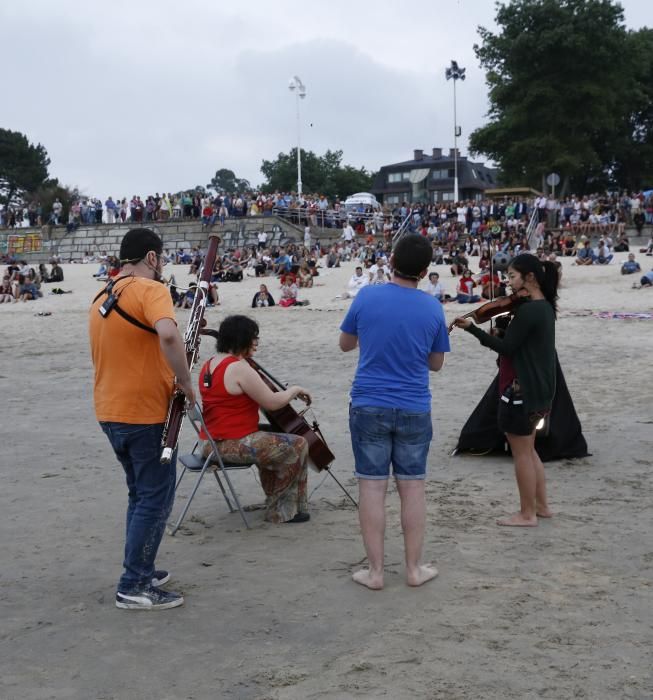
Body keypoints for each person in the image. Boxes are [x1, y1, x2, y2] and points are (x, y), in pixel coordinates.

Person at [89, 228, 195, 611]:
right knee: (154, 498)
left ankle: (141, 568)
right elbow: (168, 333)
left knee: (140, 494)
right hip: (144, 414)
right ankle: (134, 582)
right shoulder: (151, 290)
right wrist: (184, 380)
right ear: (152, 258)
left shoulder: (103, 294)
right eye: (161, 259)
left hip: (110, 409)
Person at [339, 235, 449, 590]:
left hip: (370, 401)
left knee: (372, 487)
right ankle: (414, 569)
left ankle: (375, 572)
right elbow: (436, 364)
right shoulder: (432, 307)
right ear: (424, 271)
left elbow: (345, 344)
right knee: (412, 487)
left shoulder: (368, 296)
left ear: (390, 260)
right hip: (414, 404)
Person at [453, 253, 559, 527]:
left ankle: (527, 514)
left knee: (521, 452)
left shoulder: (528, 310)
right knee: (530, 449)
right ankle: (542, 506)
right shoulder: (545, 307)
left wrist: (473, 330)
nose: (508, 283)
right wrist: (503, 331)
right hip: (541, 389)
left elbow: (506, 349)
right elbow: (522, 344)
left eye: (512, 276)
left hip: (522, 389)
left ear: (530, 277)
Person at [199, 315, 311, 523]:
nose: (256, 342)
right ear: (242, 339)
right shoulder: (239, 368)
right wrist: (295, 390)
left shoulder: (209, 364)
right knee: (298, 444)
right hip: (228, 443)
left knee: (275, 440)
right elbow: (272, 402)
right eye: (254, 338)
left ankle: (278, 500)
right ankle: (281, 511)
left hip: (209, 442)